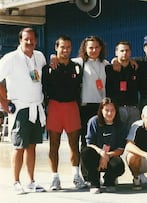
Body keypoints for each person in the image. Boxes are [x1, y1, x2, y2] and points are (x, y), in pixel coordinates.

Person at [0, 27, 47, 194]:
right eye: (26, 39)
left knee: (32, 146)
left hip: (36, 107)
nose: (29, 42)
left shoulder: (39, 57)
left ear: (36, 40)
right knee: (19, 146)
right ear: (20, 40)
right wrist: (4, 102)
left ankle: (31, 181)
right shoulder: (10, 58)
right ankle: (15, 181)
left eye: (32, 39)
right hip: (20, 108)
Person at [42, 35, 86, 190]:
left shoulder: (77, 67)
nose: (65, 50)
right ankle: (55, 178)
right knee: (54, 144)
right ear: (56, 47)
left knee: (74, 144)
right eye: (62, 47)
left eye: (68, 47)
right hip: (54, 107)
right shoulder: (48, 67)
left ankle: (76, 176)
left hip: (72, 107)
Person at [80, 97, 127, 194]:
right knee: (86, 152)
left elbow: (121, 149)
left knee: (119, 166)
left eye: (112, 110)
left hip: (111, 155)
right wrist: (101, 153)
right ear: (101, 110)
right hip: (96, 154)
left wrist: (107, 155)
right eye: (106, 110)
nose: (109, 113)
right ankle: (94, 182)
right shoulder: (94, 121)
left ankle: (109, 181)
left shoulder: (120, 125)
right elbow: (89, 143)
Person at [105, 41, 140, 132]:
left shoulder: (135, 67)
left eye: (127, 50)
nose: (124, 53)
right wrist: (114, 61)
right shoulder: (109, 68)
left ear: (130, 52)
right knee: (118, 136)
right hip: (117, 108)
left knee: (133, 135)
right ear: (116, 52)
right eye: (122, 51)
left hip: (133, 109)